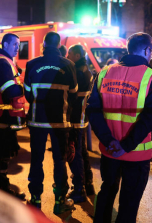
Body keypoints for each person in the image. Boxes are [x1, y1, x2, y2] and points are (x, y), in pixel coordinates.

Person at [87, 32, 152, 223]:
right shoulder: (151, 77)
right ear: (147, 50)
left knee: (107, 192)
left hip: (109, 150)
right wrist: (127, 145)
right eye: (151, 53)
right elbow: (150, 117)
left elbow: (93, 111)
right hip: (137, 154)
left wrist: (109, 140)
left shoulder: (103, 73)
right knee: (129, 204)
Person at [25, 32, 77, 214]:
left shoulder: (32, 64)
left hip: (37, 121)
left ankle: (35, 199)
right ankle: (60, 200)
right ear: (59, 44)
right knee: (59, 160)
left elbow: (28, 94)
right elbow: (74, 93)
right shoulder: (69, 65)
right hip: (60, 122)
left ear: (44, 44)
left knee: (36, 159)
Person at [0, 33, 26, 200]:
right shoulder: (2, 63)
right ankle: (2, 190)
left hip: (4, 115)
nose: (18, 47)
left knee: (4, 153)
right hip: (3, 116)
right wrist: (26, 88)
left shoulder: (5, 61)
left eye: (19, 44)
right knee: (1, 154)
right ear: (5, 44)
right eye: (14, 44)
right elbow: (9, 90)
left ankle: (2, 187)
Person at [65, 44, 95, 203]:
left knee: (74, 153)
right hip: (82, 116)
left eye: (70, 54)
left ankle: (78, 189)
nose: (68, 56)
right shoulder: (86, 69)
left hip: (75, 117)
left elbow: (71, 94)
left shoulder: (76, 71)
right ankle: (88, 184)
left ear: (76, 55)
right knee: (82, 151)